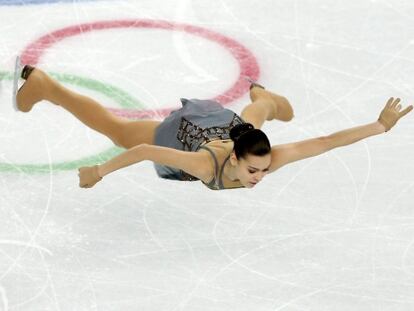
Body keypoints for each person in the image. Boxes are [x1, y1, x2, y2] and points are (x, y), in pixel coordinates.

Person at [13, 57, 413, 190]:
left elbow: (325, 142)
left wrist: (380, 126)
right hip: (187, 131)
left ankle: (265, 102)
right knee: (117, 131)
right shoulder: (206, 165)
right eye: (254, 169)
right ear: (237, 160)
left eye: (263, 167)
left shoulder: (263, 156)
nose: (260, 176)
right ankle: (44, 85)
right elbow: (144, 150)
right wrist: (99, 172)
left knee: (246, 121)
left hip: (226, 125)